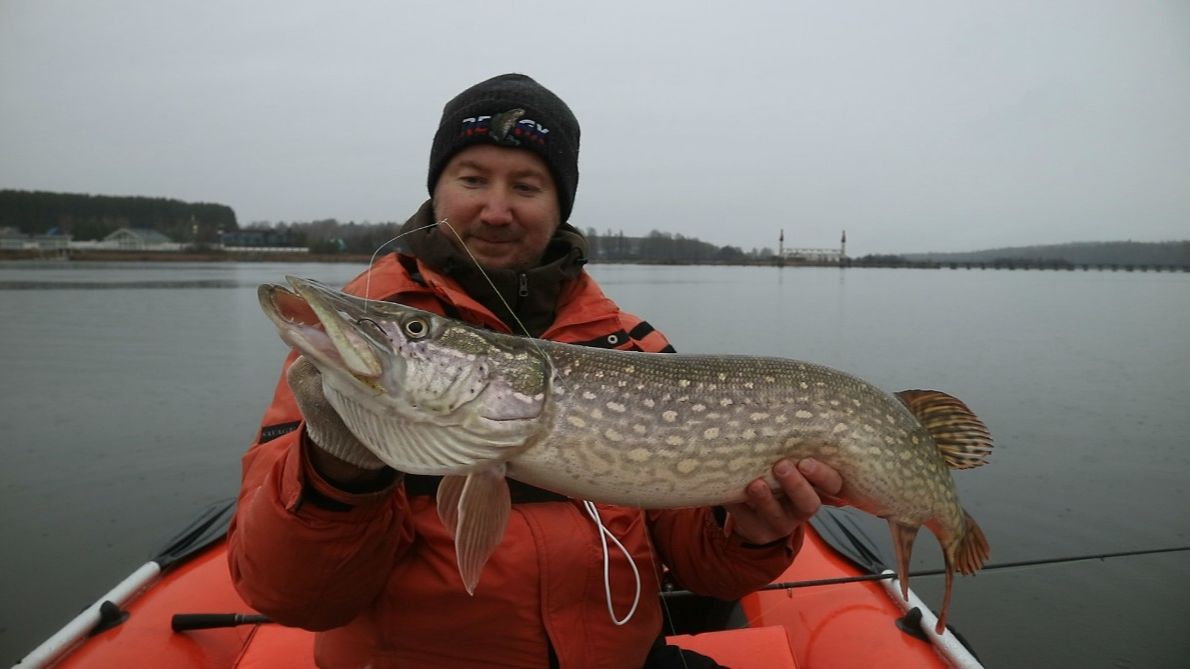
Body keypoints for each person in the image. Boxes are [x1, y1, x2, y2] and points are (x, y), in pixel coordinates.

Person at [227, 73, 843, 669]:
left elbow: (703, 568)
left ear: (559, 205)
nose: (497, 210)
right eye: (472, 179)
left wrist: (752, 534)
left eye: (526, 186)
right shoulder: (353, 358)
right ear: (436, 191)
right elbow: (289, 595)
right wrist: (338, 470)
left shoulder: (630, 345)